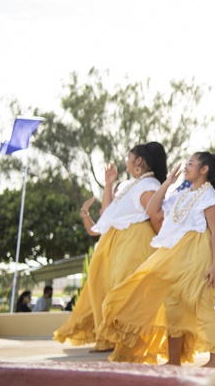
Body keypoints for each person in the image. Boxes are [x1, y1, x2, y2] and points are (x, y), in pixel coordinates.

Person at [98, 152, 215, 367]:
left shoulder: (210, 197)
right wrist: (168, 182)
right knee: (173, 306)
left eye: (191, 164)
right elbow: (152, 210)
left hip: (197, 254)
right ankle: (173, 360)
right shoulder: (182, 195)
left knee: (201, 303)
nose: (186, 167)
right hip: (174, 255)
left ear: (204, 170)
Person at [54, 143, 167, 350]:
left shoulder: (149, 185)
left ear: (139, 161)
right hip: (115, 242)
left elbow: (156, 215)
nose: (126, 161)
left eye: (129, 156)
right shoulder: (129, 185)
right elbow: (107, 213)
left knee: (122, 288)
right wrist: (108, 184)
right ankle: (109, 338)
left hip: (134, 241)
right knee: (102, 287)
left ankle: (128, 341)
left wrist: (165, 245)